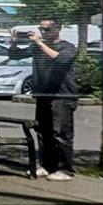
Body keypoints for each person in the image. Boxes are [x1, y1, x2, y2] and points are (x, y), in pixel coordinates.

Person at [29, 18, 79, 181]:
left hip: (62, 95)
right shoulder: (37, 47)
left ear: (58, 29)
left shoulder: (67, 47)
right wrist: (14, 41)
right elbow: (15, 55)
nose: (43, 33)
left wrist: (40, 43)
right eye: (41, 29)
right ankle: (47, 165)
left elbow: (60, 60)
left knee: (61, 133)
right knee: (43, 131)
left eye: (47, 29)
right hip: (44, 94)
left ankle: (65, 169)